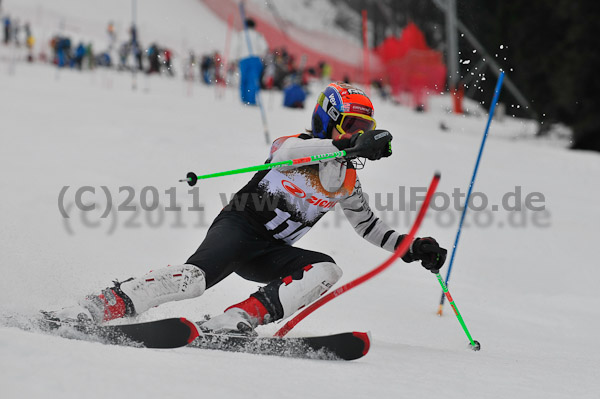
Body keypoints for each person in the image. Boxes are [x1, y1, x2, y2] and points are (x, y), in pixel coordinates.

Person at [53, 82, 447, 335]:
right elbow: (290, 152)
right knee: (194, 281)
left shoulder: (346, 181)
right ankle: (98, 305)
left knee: (327, 268)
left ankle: (237, 319)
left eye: (364, 128)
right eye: (349, 125)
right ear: (327, 123)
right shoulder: (294, 146)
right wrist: (348, 145)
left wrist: (413, 248)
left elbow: (370, 228)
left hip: (270, 254)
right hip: (239, 228)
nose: (356, 135)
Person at [234, 18, 268, 105]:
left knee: (243, 79)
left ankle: (243, 99)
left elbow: (236, 47)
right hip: (254, 59)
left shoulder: (241, 34)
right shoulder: (258, 35)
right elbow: (264, 47)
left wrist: (236, 58)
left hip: (243, 59)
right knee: (253, 80)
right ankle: (251, 100)